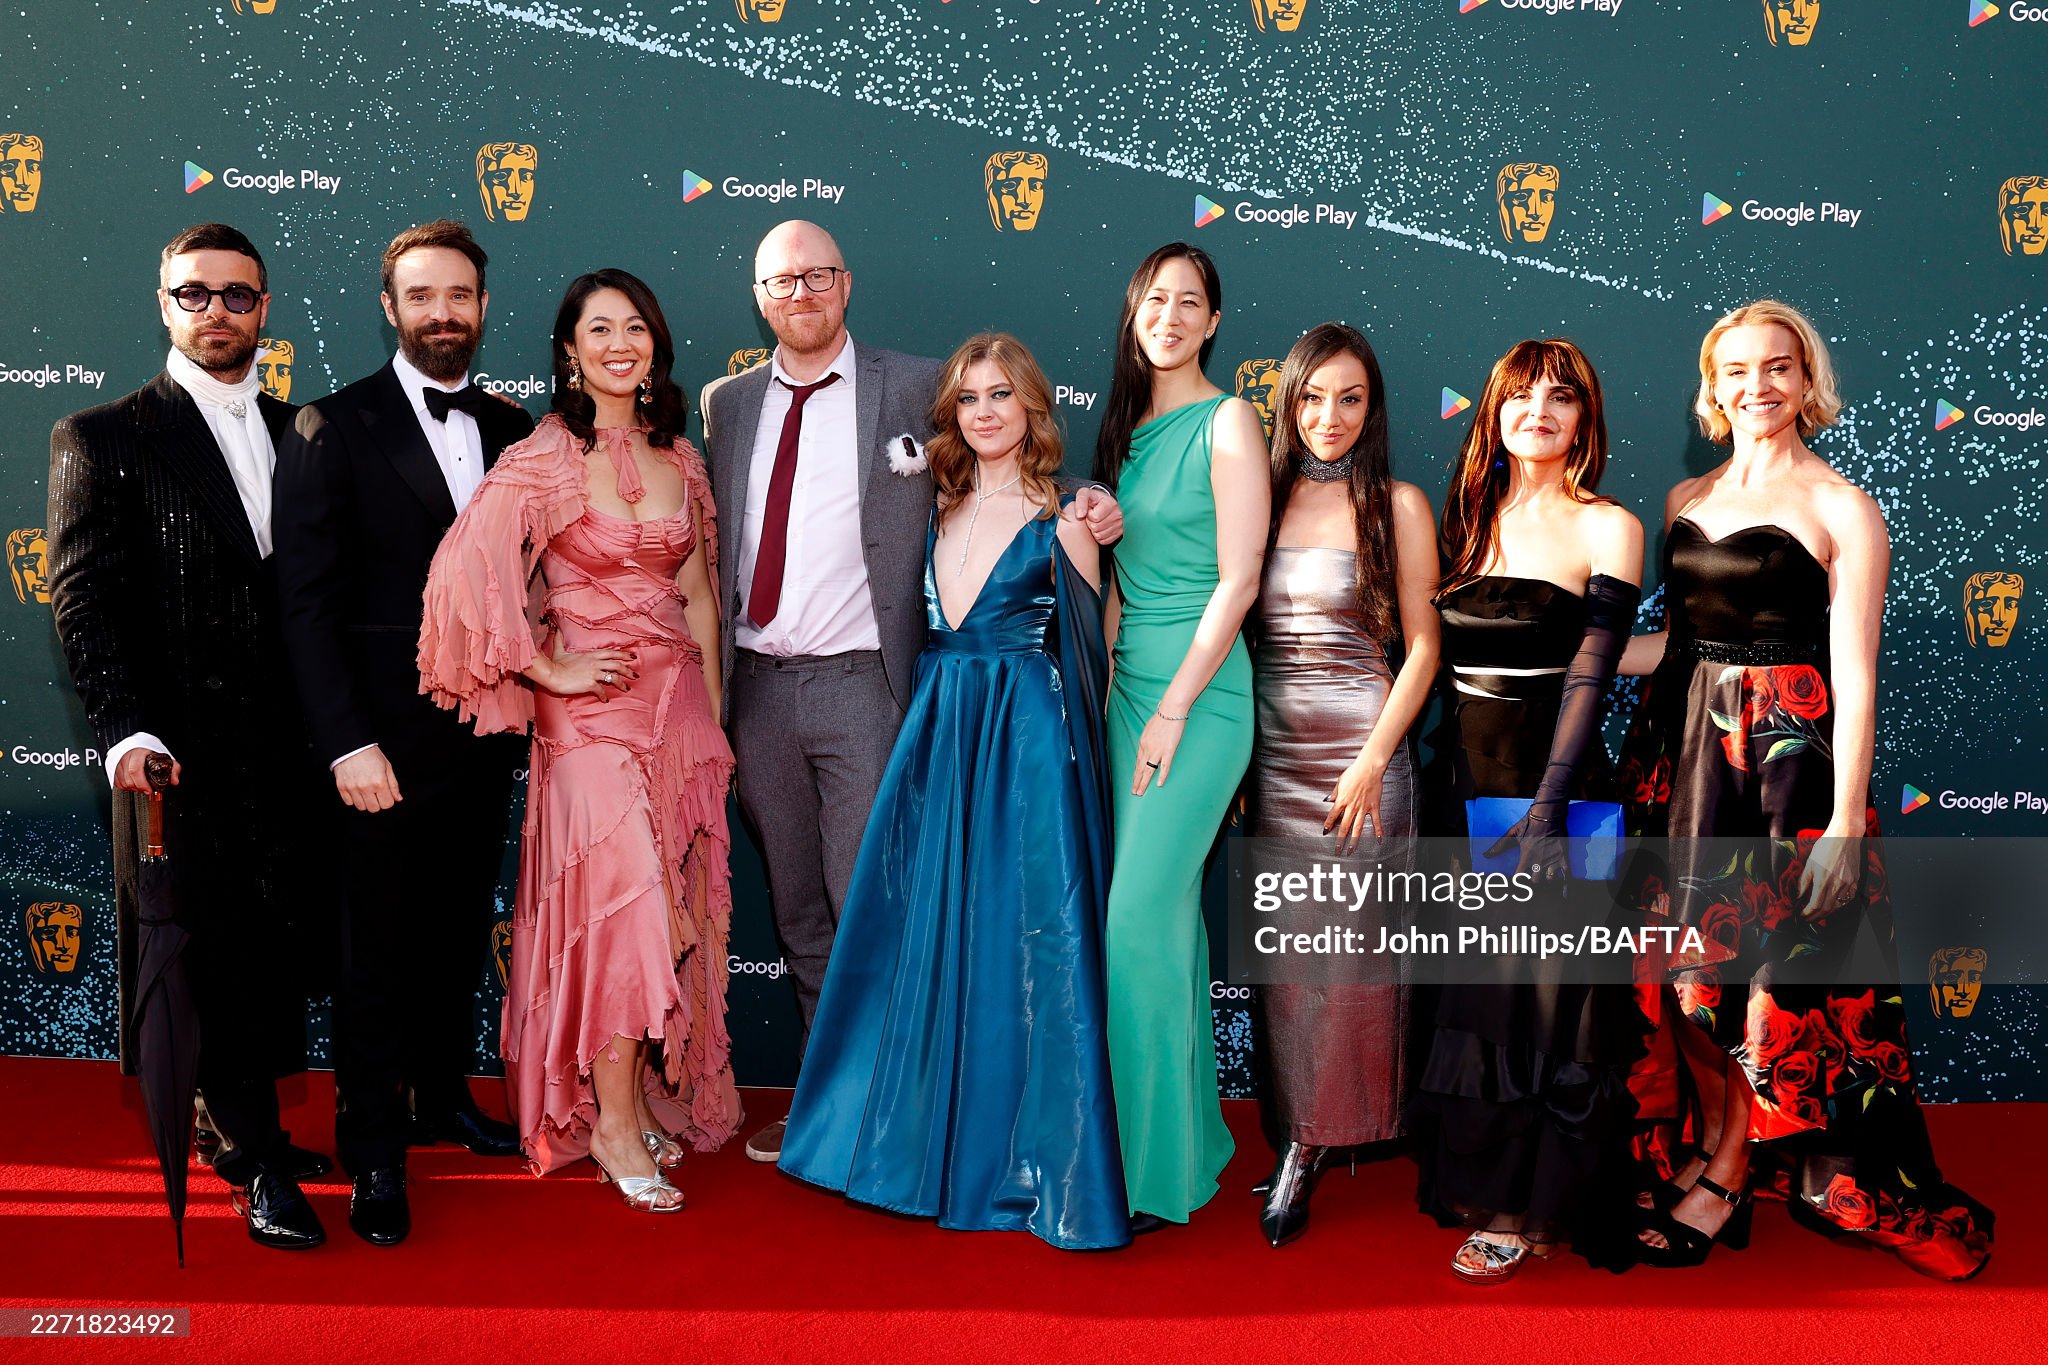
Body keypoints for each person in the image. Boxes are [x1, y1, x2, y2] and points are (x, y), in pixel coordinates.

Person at [698, 220, 1121, 1163]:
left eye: (818, 275)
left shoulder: (916, 383)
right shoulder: (727, 404)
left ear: (846, 283)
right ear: (759, 298)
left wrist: (1088, 498)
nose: (801, 293)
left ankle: (891, 1114)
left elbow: (1006, 447)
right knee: (799, 910)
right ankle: (828, 1101)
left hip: (867, 685)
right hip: (757, 690)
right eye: (781, 281)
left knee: (870, 904)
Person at [1616, 300, 1994, 1279]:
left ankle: (1728, 1173)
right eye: (1736, 369)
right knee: (1689, 987)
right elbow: (1681, 645)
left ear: (1805, 379)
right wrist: (1568, 651)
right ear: (1712, 386)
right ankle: (1719, 1147)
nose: (1758, 386)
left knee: (1770, 993)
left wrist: (1842, 824)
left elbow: (1856, 672)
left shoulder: (1841, 507)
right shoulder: (1685, 495)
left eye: (1777, 367)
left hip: (1787, 775)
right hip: (1686, 765)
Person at [776, 333, 1128, 1249]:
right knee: (925, 931)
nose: (984, 412)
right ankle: (910, 1143)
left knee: (1027, 940)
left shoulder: (1069, 519)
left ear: (1032, 407)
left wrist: (1076, 778)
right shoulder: (931, 506)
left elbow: (1092, 656)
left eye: (1001, 394)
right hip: (938, 731)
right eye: (969, 398)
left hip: (1027, 740)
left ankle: (1028, 1161)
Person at [418, 269, 739, 1212]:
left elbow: (698, 595)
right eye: (599, 329)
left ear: (656, 345)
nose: (618, 344)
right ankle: (609, 1127)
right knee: (622, 910)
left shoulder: (682, 458)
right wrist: (545, 667)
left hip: (677, 709)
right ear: (569, 350)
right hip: (588, 717)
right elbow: (461, 577)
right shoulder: (543, 456)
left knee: (663, 908)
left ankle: (626, 1105)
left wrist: (713, 725)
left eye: (634, 327)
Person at [47, 222, 330, 1249]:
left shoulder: (305, 431)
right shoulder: (102, 435)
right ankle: (258, 1161)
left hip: (288, 748)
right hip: (179, 754)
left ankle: (241, 1127)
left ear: (265, 308)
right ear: (164, 304)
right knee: (204, 952)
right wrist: (126, 733)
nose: (216, 311)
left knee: (269, 948)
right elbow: (83, 602)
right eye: (194, 294)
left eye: (237, 295)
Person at [273, 220, 530, 1247]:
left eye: (458, 295)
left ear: (482, 306)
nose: (442, 313)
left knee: (456, 934)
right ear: (390, 309)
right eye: (421, 296)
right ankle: (373, 1147)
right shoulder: (330, 425)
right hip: (376, 747)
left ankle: (440, 1098)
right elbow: (305, 604)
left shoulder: (514, 428)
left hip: (484, 738)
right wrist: (344, 744)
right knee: (372, 951)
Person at [1405, 338, 1646, 1283]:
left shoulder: (1610, 526)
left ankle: (1538, 1204)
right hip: (1465, 785)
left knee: (1556, 1007)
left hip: (1563, 792)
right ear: (1494, 413)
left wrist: (1548, 808)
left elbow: (1592, 673)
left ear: (1585, 419)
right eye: (1520, 396)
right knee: (1483, 1002)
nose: (1538, 411)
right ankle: (1495, 1192)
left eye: (1561, 397)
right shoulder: (1468, 521)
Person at [1248, 323, 1440, 1247]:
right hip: (1273, 756)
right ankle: (1302, 1130)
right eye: (1314, 396)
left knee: (1355, 964)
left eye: (1351, 398)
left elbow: (1425, 646)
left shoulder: (1397, 503)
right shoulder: (1259, 497)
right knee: (1291, 967)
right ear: (1288, 401)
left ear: (1374, 407)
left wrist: (1371, 758)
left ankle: (1321, 1141)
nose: (1330, 416)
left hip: (1365, 753)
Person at [1092, 242, 1269, 1232]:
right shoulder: (1126, 432)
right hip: (1129, 695)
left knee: (1136, 919)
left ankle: (1143, 1169)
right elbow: (1119, 590)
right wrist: (1109, 695)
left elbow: (1238, 579)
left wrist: (1170, 706)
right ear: (1134, 314)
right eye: (1154, 298)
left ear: (1212, 322)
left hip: (1198, 701)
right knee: (1164, 925)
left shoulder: (1229, 419)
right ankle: (1184, 1144)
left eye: (1188, 301)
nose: (1169, 314)